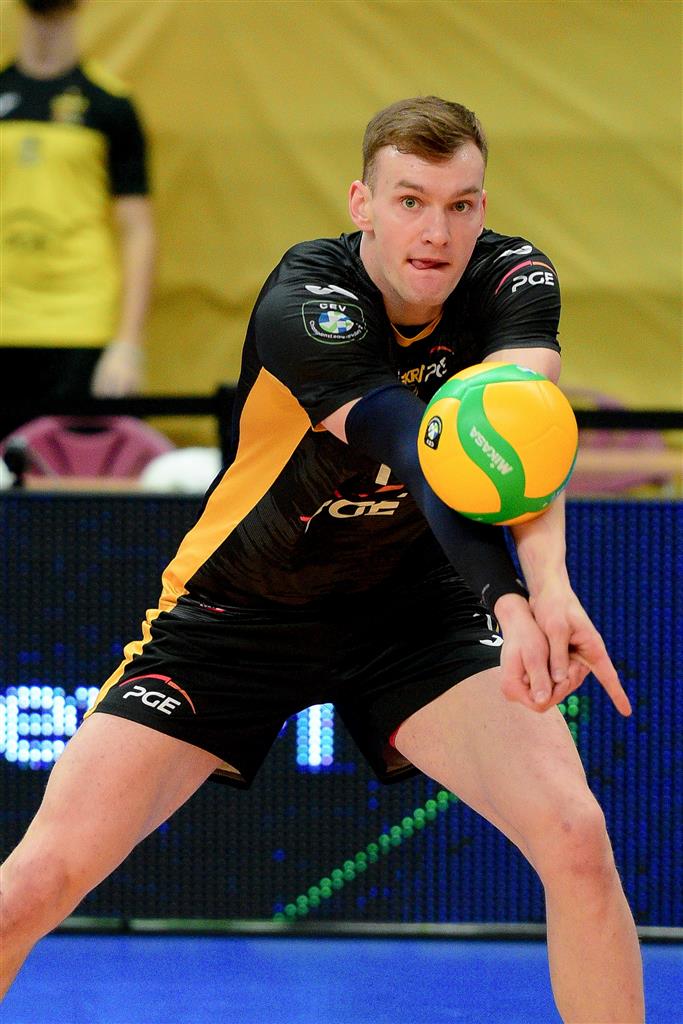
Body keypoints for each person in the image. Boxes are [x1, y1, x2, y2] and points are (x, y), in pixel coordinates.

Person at [0, 96, 644, 1022]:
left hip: (415, 613)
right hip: (239, 608)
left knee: (577, 839)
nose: (436, 232)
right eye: (410, 201)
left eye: (460, 205)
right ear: (361, 203)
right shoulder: (306, 301)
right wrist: (511, 603)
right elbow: (426, 455)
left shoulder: (512, 279)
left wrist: (550, 591)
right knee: (34, 885)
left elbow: (522, 446)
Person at [0, 0, 155, 442]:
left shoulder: (109, 102)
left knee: (73, 472)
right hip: (4, 320)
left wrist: (127, 344)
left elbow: (138, 229)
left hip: (81, 324)